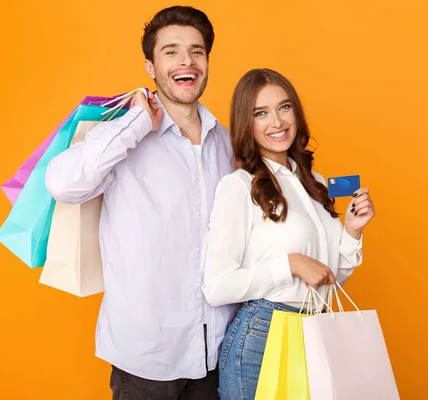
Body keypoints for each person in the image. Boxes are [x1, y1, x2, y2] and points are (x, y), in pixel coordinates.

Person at [45, 6, 237, 400]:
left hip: (218, 353)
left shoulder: (227, 143)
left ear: (206, 62)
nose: (186, 61)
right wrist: (136, 125)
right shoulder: (122, 134)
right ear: (150, 67)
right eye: (171, 52)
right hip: (145, 359)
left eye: (196, 51)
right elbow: (62, 184)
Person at [201, 68, 376, 400]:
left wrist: (352, 232)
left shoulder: (316, 183)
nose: (277, 122)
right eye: (260, 113)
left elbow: (327, 279)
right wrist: (290, 264)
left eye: (284, 107)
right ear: (246, 124)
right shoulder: (238, 187)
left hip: (314, 329)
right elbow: (216, 287)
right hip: (262, 338)